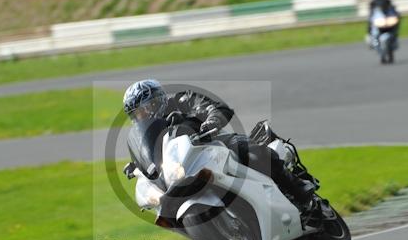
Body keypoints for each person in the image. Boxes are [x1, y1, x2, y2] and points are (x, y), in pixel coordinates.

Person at [122, 79, 317, 211]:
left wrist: (212, 120)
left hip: (213, 145)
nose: (144, 116)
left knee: (255, 154)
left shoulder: (182, 100)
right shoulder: (148, 133)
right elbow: (147, 153)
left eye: (147, 108)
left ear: (159, 100)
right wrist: (137, 166)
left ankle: (299, 190)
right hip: (183, 169)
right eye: (137, 114)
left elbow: (213, 107)